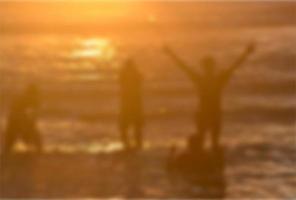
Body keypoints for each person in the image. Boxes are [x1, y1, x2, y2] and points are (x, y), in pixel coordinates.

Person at [164, 43, 255, 150]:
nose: (208, 69)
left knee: (204, 141)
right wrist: (246, 53)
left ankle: (204, 162)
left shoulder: (201, 79)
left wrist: (170, 54)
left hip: (205, 113)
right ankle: (210, 163)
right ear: (212, 67)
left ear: (204, 67)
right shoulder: (218, 80)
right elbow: (234, 66)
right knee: (213, 142)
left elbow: (184, 67)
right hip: (213, 113)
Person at [2, 83, 42, 155]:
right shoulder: (24, 99)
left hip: (18, 122)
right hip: (15, 122)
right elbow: (15, 113)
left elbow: (34, 116)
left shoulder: (31, 100)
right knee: (9, 144)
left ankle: (38, 151)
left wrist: (30, 125)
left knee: (35, 137)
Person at [119, 59, 144, 151]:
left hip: (127, 103)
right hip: (135, 103)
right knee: (136, 126)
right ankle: (137, 145)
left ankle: (127, 145)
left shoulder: (124, 74)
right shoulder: (136, 74)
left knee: (124, 126)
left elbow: (121, 83)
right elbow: (141, 80)